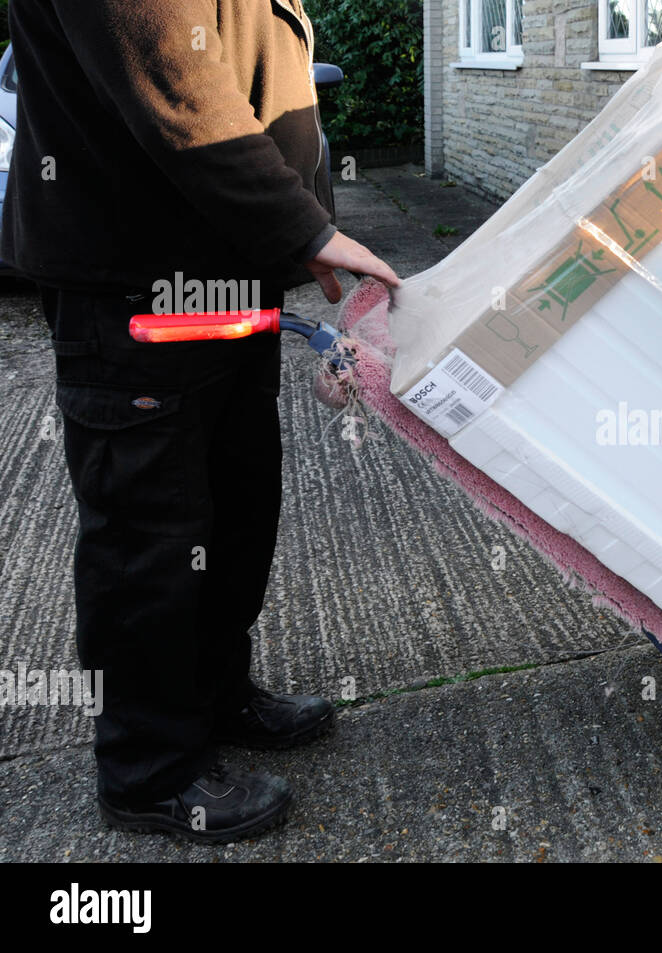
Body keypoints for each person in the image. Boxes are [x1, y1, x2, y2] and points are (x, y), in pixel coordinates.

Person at [1, 0, 401, 844]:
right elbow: (173, 79)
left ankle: (215, 697)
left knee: (234, 507)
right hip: (135, 283)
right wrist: (307, 227)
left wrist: (288, 232)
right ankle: (149, 770)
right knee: (149, 536)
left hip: (225, 272)